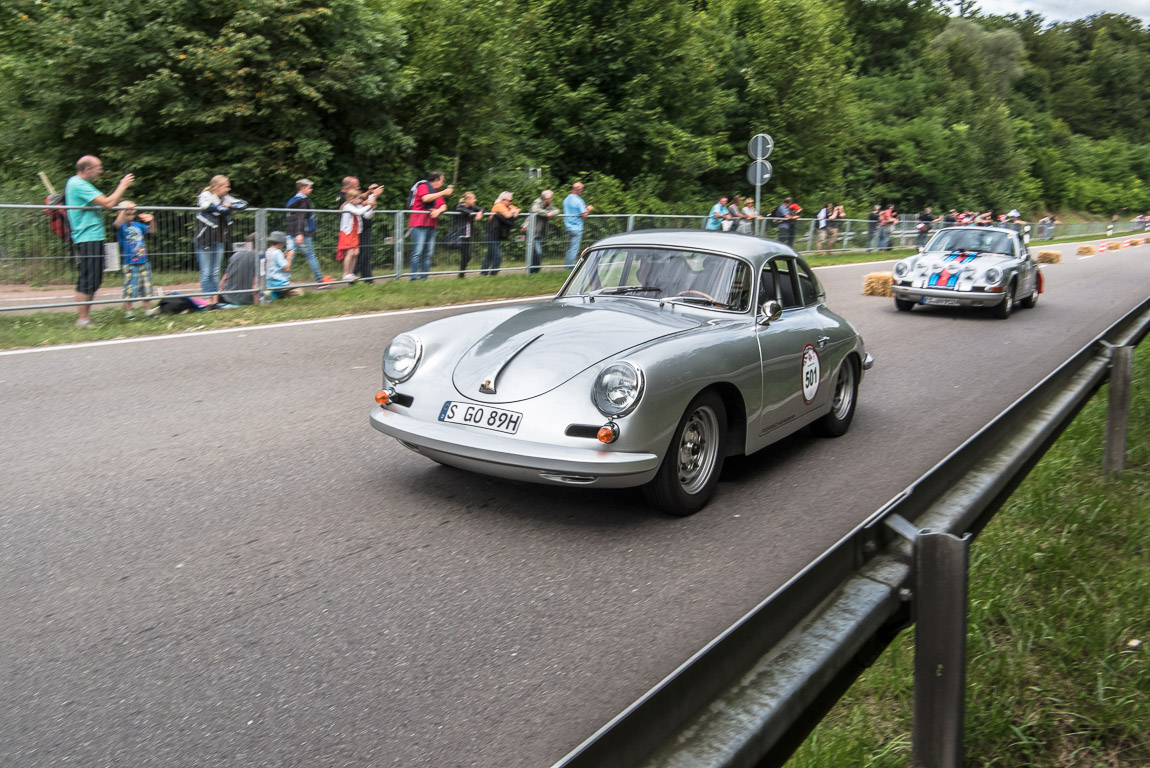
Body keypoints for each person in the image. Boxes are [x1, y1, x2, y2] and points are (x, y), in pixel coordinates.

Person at [64, 155, 133, 327]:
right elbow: (108, 203)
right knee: (88, 279)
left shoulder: (82, 184)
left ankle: (86, 318)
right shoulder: (78, 184)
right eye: (98, 167)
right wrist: (122, 185)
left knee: (94, 279)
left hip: (93, 237)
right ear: (87, 169)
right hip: (87, 237)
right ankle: (82, 319)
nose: (101, 171)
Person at [194, 175, 247, 295]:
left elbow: (244, 204)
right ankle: (207, 299)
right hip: (204, 240)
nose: (228, 189)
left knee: (215, 271)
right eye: (226, 186)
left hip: (219, 240)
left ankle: (215, 299)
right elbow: (206, 206)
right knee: (206, 272)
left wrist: (230, 206)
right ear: (217, 187)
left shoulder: (226, 197)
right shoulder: (206, 195)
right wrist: (224, 207)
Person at [113, 201, 155, 319]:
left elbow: (151, 230)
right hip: (129, 263)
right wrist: (124, 210)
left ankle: (148, 311)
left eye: (132, 214)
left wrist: (152, 220)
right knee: (130, 288)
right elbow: (116, 224)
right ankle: (129, 313)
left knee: (147, 287)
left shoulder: (137, 225)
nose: (130, 216)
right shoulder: (120, 226)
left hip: (144, 261)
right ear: (120, 212)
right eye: (127, 214)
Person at [408, 171, 453, 281]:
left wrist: (438, 210)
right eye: (442, 180)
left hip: (431, 225)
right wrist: (443, 192)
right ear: (436, 180)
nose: (442, 183)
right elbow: (425, 198)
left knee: (428, 253)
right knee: (417, 252)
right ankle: (413, 278)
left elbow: (444, 206)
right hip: (419, 224)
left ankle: (424, 278)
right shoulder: (423, 186)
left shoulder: (436, 192)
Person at [337, 187, 379, 280]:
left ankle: (351, 273)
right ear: (351, 198)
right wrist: (369, 205)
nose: (360, 200)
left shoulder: (357, 206)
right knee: (350, 253)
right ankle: (346, 274)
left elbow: (367, 216)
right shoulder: (347, 206)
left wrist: (371, 208)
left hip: (355, 233)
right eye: (358, 198)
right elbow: (359, 212)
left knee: (356, 252)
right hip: (347, 233)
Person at [286, 178, 322, 283]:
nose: (311, 189)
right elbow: (301, 217)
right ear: (303, 188)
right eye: (309, 187)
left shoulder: (291, 200)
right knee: (310, 255)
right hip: (302, 233)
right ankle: (319, 280)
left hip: (290, 232)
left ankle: (283, 280)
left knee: (290, 256)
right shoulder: (303, 201)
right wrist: (300, 233)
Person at [216, 233, 260, 307]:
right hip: (246, 300)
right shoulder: (259, 258)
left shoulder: (235, 255)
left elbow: (223, 279)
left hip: (228, 297)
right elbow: (256, 282)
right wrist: (257, 305)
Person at [482, 192, 519, 276]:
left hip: (496, 235)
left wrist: (513, 212)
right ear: (503, 200)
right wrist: (512, 213)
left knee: (490, 255)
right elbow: (507, 215)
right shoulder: (498, 205)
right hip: (491, 235)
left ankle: (483, 273)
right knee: (498, 255)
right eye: (510, 200)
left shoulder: (507, 206)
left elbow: (517, 210)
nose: (511, 202)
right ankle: (493, 274)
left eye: (511, 201)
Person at [453, 191, 484, 277]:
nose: (475, 200)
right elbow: (458, 209)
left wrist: (480, 212)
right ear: (467, 200)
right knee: (466, 255)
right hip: (460, 234)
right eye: (473, 198)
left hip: (467, 235)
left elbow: (481, 208)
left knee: (467, 256)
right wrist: (469, 212)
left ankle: (461, 274)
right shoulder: (460, 205)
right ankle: (461, 274)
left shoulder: (472, 207)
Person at [527, 190, 559, 274]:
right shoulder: (537, 202)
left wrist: (551, 213)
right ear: (547, 198)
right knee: (537, 252)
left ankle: (534, 271)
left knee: (535, 253)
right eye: (551, 197)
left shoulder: (549, 204)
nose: (552, 199)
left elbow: (557, 210)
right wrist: (546, 213)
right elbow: (534, 210)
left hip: (539, 232)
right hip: (532, 232)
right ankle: (534, 270)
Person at [562, 182, 593, 267]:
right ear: (578, 190)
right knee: (574, 249)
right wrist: (589, 209)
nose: (582, 191)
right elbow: (584, 215)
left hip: (568, 226)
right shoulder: (579, 200)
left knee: (569, 249)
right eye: (581, 189)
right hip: (577, 227)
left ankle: (567, 266)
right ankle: (570, 267)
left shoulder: (566, 199)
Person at [264, 230, 301, 299]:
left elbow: (275, 262)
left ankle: (274, 295)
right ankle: (282, 294)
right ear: (279, 243)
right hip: (280, 283)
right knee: (299, 292)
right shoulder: (278, 252)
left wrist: (283, 255)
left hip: (269, 283)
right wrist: (289, 257)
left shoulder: (267, 251)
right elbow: (286, 269)